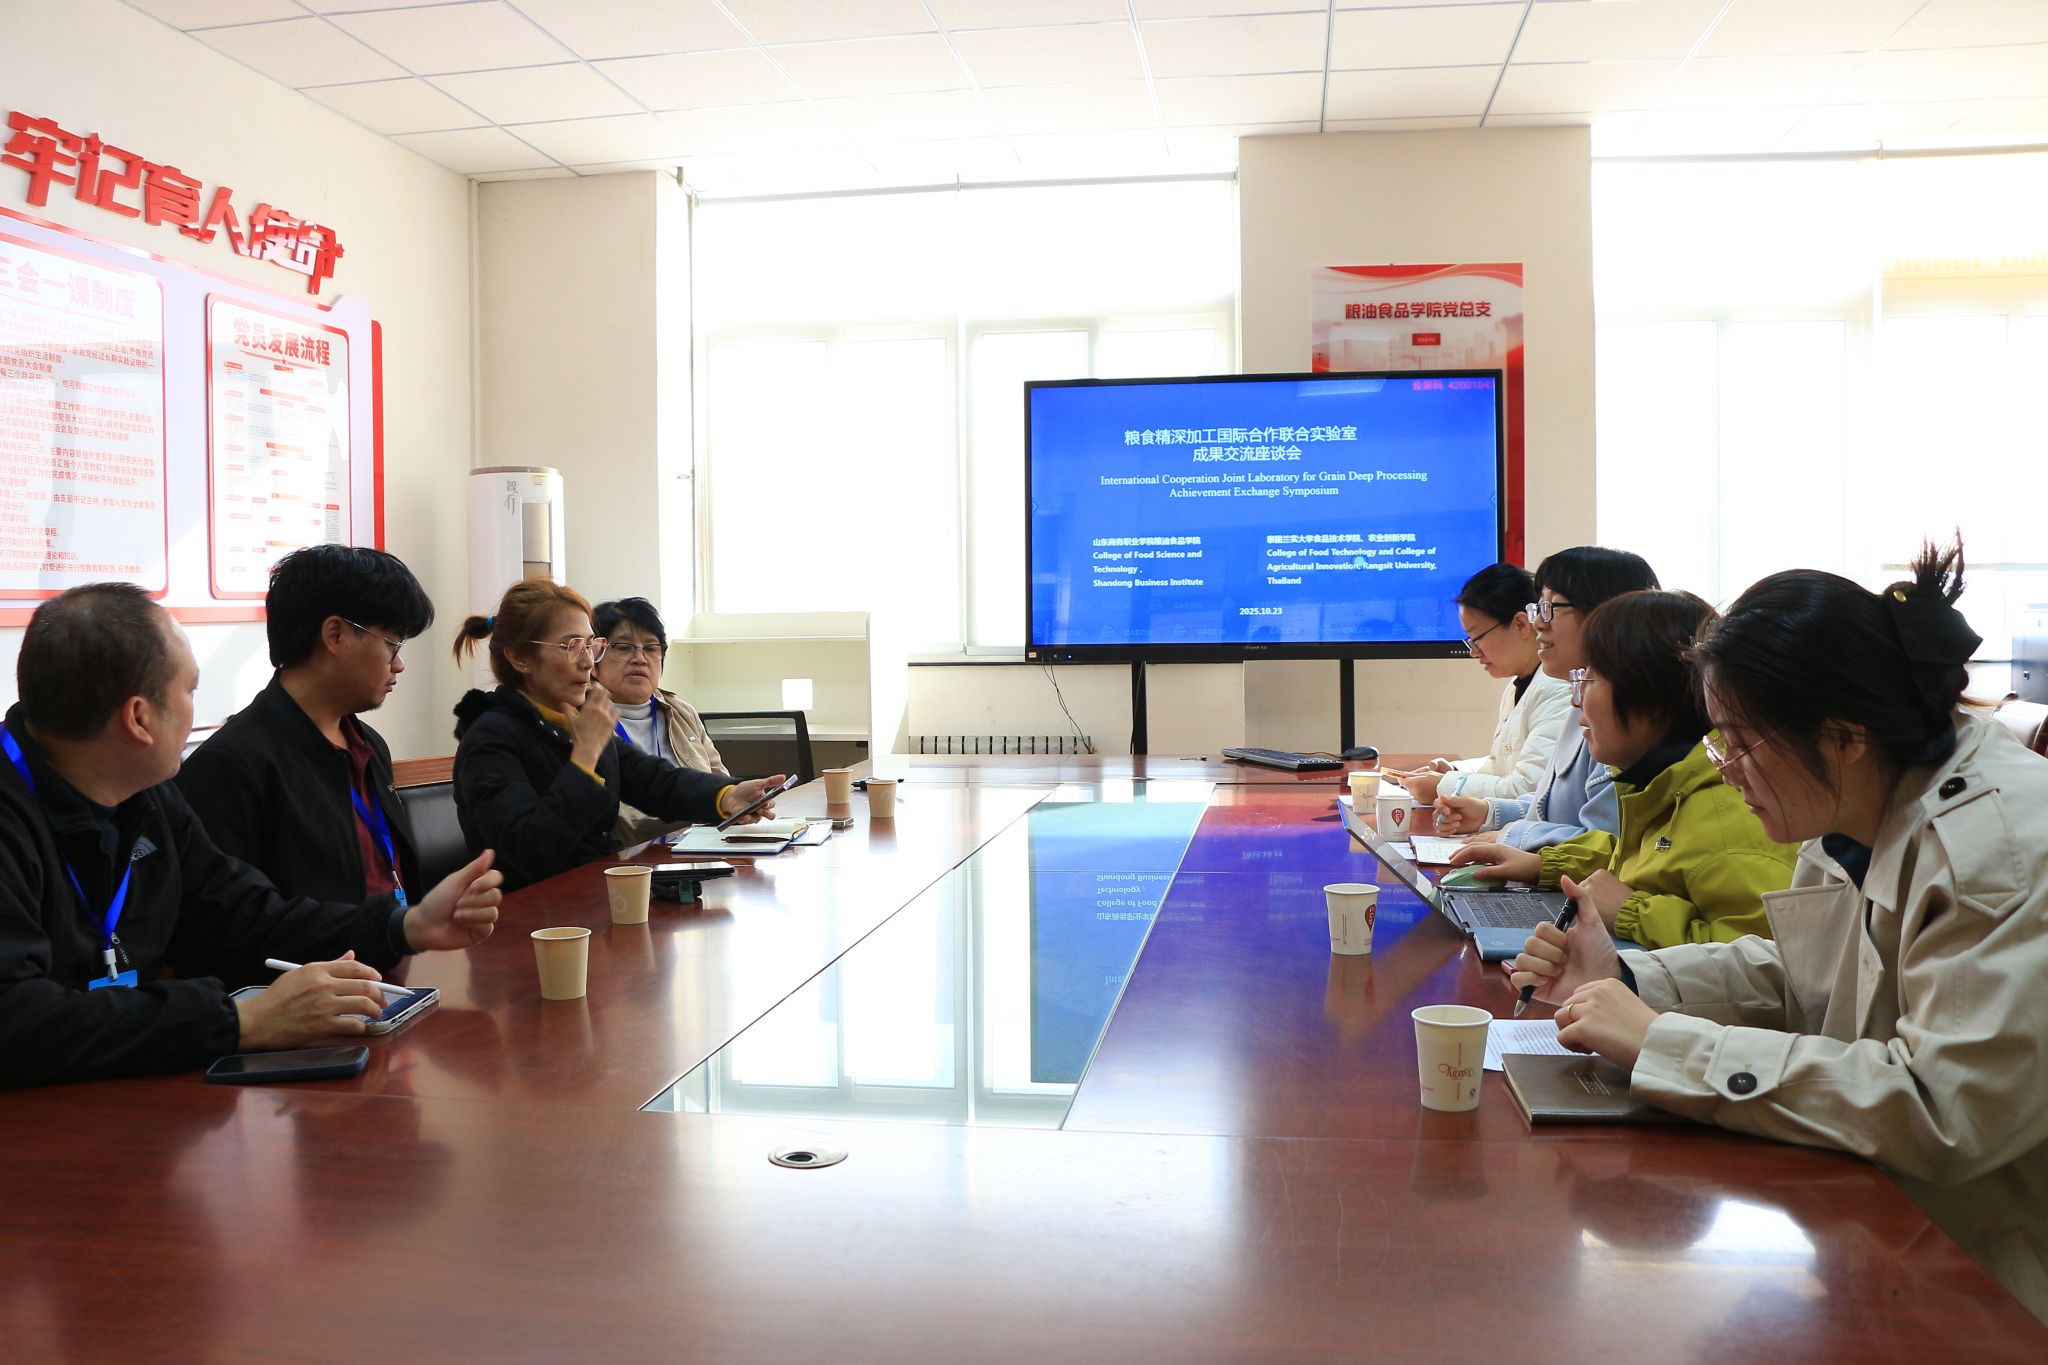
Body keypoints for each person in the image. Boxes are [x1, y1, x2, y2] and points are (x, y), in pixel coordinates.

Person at [1512, 541, 2048, 1325]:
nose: (1724, 766)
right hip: (1886, 1235)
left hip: (1988, 1281)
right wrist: (1626, 980)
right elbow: (1802, 970)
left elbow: (1940, 1108)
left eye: (1739, 740)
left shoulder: (1996, 850)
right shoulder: (1859, 800)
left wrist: (1665, 1043)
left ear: (1843, 734)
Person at [0, 583, 502, 1089]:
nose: (196, 710)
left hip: (122, 1092)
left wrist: (404, 926)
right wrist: (240, 1021)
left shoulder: (149, 797)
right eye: (190, 690)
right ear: (139, 718)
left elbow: (246, 914)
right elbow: (15, 1018)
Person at [1459, 591, 1795, 947]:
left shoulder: (1726, 823)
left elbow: (1766, 960)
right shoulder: (1660, 783)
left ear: (1648, 696)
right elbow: (1635, 857)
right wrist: (1546, 865)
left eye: (1590, 680)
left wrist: (1632, 911)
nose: (1576, 699)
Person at [451, 580, 787, 891]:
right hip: (536, 917)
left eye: (591, 646)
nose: (587, 662)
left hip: (597, 895)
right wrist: (585, 757)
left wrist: (726, 796)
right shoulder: (490, 739)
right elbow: (532, 851)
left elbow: (655, 781)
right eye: (572, 646)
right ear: (520, 657)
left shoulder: (571, 721)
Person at [179, 544, 434, 904]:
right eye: (393, 643)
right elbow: (230, 919)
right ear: (335, 635)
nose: (399, 664)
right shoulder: (230, 766)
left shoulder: (368, 745)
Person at [1437, 545, 1660, 882]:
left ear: (1608, 612)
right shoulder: (1577, 697)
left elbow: (1610, 843)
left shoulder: (1629, 718)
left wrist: (1513, 834)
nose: (1539, 623)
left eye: (1550, 608)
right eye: (1538, 607)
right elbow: (1551, 803)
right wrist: (1490, 812)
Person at [1397, 563, 1571, 806]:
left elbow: (1528, 789)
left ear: (1521, 625)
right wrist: (1454, 771)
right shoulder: (1518, 686)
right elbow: (1501, 764)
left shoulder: (1558, 689)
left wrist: (1443, 786)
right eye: (1469, 640)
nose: (1473, 652)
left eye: (1477, 638)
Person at [590, 596, 728, 845]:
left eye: (651, 648)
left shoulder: (682, 712)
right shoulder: (581, 720)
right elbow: (618, 822)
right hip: (625, 862)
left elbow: (720, 782)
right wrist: (704, 807)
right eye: (624, 647)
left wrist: (735, 799)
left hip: (699, 856)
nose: (640, 658)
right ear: (594, 655)